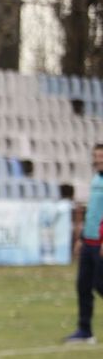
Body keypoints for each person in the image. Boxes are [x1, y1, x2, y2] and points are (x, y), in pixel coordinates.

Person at [64, 143, 103, 343]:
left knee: (100, 284)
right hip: (89, 241)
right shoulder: (96, 179)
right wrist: (81, 238)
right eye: (96, 156)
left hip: (101, 242)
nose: (98, 159)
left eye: (101, 156)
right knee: (83, 285)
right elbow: (93, 211)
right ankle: (85, 330)